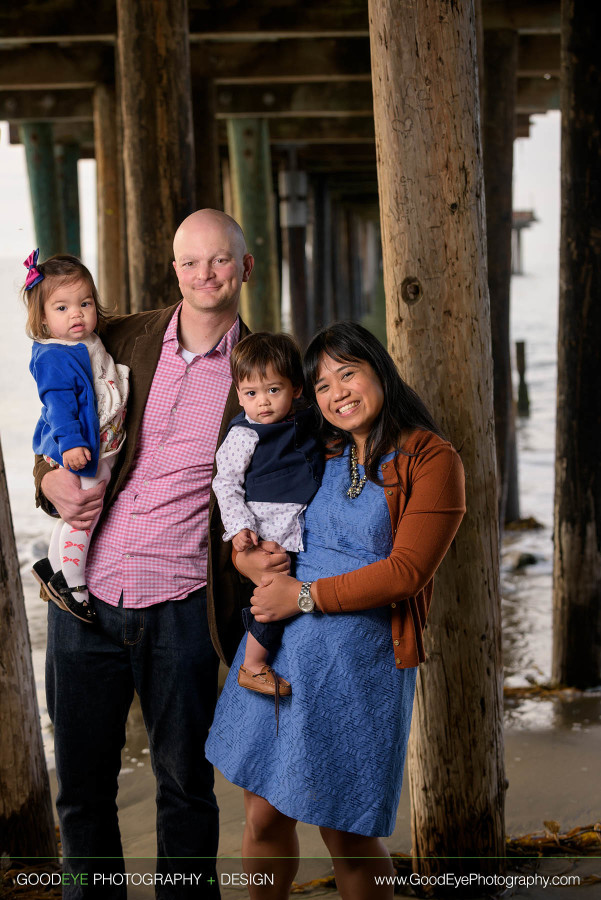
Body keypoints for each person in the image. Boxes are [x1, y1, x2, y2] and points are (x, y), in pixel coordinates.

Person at [33, 210, 287, 899]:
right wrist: (49, 480)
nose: (204, 275)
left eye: (219, 261)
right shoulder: (119, 336)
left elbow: (301, 461)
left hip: (183, 605)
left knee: (184, 788)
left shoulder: (262, 367)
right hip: (85, 598)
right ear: (172, 269)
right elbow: (59, 426)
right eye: (189, 262)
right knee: (81, 792)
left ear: (245, 267)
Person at [205, 322, 466, 900]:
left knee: (344, 829)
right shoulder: (319, 444)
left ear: (380, 370)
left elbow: (407, 573)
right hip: (280, 647)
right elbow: (252, 505)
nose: (336, 393)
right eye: (322, 384)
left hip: (358, 664)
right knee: (264, 814)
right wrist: (247, 561)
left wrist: (301, 597)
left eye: (347, 373)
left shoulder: (431, 459)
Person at [212, 332, 323, 706]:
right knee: (274, 588)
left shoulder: (308, 416)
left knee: (286, 588)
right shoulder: (244, 435)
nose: (262, 403)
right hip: (265, 524)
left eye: (273, 390)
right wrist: (240, 527)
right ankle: (253, 665)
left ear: (296, 388)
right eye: (250, 393)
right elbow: (225, 483)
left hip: (294, 515)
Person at [24, 250, 129, 624]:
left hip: (97, 444)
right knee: (86, 513)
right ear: (42, 318)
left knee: (70, 519)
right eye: (62, 308)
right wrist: (70, 446)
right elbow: (57, 406)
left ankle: (52, 570)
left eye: (84, 303)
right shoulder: (54, 356)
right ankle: (74, 584)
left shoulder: (86, 341)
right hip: (81, 448)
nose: (77, 314)